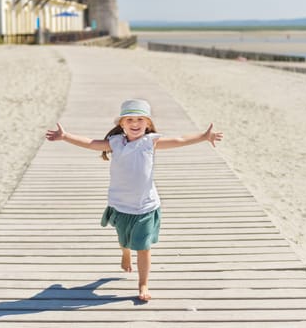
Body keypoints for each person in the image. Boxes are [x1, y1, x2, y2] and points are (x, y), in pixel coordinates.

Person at [45, 99, 223, 301]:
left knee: (143, 247)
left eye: (140, 119)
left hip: (146, 206)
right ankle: (125, 253)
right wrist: (66, 136)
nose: (135, 123)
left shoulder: (151, 142)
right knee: (124, 240)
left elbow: (180, 140)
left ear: (147, 124)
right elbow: (90, 143)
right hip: (121, 205)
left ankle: (143, 284)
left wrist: (203, 136)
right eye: (129, 119)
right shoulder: (116, 144)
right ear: (122, 124)